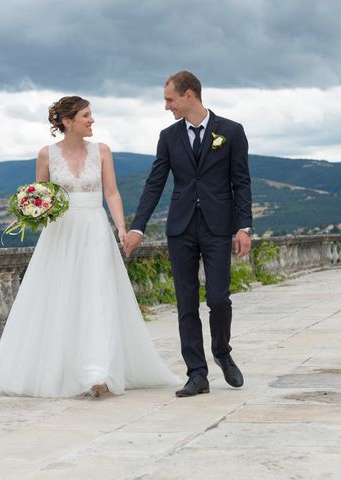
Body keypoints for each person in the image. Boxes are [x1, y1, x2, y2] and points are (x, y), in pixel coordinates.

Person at [0, 96, 179, 398]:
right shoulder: (46, 155)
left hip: (94, 230)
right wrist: (32, 209)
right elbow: (42, 196)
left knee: (96, 296)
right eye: (86, 116)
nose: (92, 121)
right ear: (67, 121)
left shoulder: (101, 152)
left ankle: (97, 372)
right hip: (61, 233)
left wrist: (121, 228)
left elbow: (112, 193)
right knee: (62, 297)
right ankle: (63, 368)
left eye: (92, 115)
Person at [124, 71, 253, 398]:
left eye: (170, 99)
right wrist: (137, 226)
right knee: (185, 303)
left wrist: (244, 226)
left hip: (217, 227)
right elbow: (155, 183)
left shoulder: (231, 132)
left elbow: (242, 182)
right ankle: (197, 374)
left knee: (218, 298)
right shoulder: (168, 136)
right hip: (180, 228)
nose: (167, 106)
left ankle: (222, 351)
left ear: (189, 96)